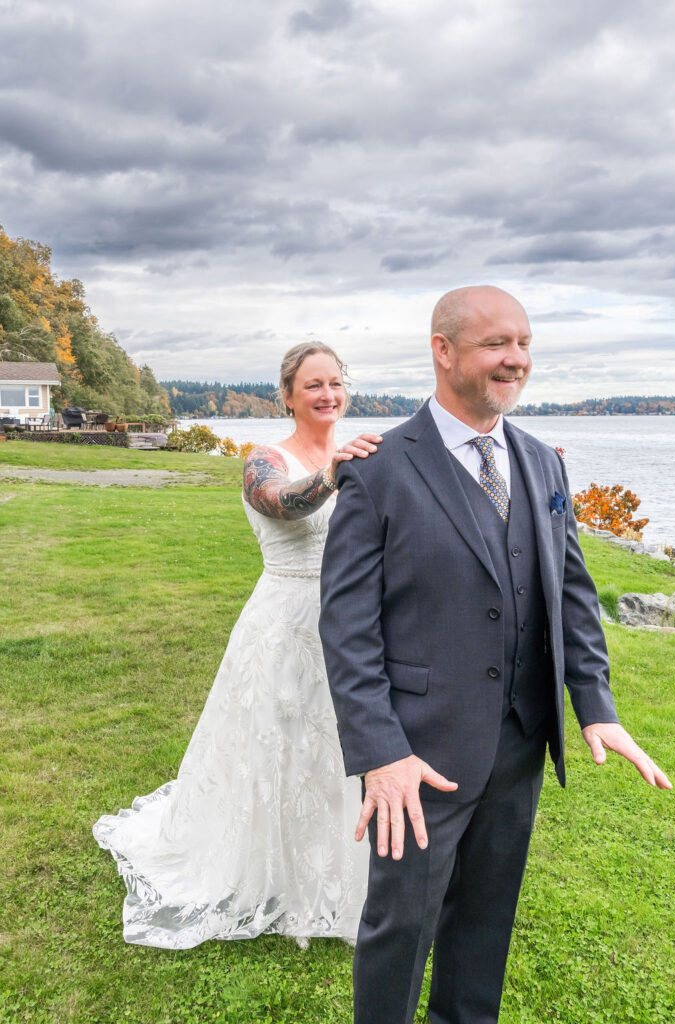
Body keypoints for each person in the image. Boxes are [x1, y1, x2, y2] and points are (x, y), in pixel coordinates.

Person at [319, 286, 672, 1024]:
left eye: (522, 343)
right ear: (442, 351)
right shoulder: (379, 467)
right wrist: (380, 751)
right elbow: (346, 626)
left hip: (517, 745)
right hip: (417, 754)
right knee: (400, 926)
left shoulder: (542, 462)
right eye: (493, 344)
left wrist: (593, 705)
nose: (514, 359)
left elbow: (570, 593)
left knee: (484, 922)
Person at [93, 341, 381, 949]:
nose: (328, 395)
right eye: (313, 386)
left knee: (338, 740)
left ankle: (338, 861)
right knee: (276, 741)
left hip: (350, 623)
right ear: (287, 395)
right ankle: (265, 867)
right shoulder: (262, 460)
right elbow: (280, 501)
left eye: (336, 382)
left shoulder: (362, 451)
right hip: (284, 620)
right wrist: (332, 475)